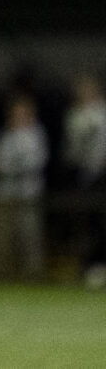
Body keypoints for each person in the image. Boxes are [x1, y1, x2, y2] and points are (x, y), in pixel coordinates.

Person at [0, 92, 50, 279]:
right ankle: (2, 275)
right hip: (4, 193)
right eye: (15, 113)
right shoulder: (4, 135)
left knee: (29, 237)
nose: (17, 116)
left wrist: (10, 168)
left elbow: (35, 163)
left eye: (22, 113)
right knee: (2, 238)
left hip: (29, 193)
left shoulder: (37, 135)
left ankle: (32, 276)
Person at [61, 73, 106, 287]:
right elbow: (73, 150)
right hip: (85, 176)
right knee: (87, 225)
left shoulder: (103, 112)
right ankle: (90, 267)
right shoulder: (75, 115)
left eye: (89, 90)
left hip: (102, 174)